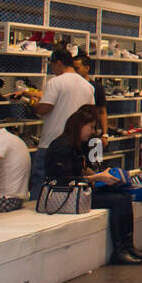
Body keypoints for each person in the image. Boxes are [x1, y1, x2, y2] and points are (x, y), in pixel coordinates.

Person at [44, 105, 142, 265]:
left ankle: (126, 246)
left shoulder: (72, 145)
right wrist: (98, 178)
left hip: (73, 191)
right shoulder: (63, 146)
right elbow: (67, 179)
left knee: (123, 195)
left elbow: (79, 172)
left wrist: (101, 176)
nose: (92, 131)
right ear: (80, 126)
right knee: (118, 200)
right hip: (66, 195)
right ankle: (120, 250)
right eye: (90, 127)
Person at [24, 46, 94, 198]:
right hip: (74, 143)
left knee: (41, 183)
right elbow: (90, 112)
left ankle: (39, 213)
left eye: (52, 65)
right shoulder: (88, 86)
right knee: (67, 185)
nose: (52, 68)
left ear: (58, 63)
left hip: (51, 142)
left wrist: (32, 104)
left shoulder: (55, 82)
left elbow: (44, 109)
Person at [72, 52, 108, 142]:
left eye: (77, 69)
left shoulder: (97, 87)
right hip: (73, 133)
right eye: (73, 69)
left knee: (93, 155)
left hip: (91, 134)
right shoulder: (70, 86)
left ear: (87, 68)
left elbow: (102, 112)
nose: (74, 72)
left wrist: (105, 134)